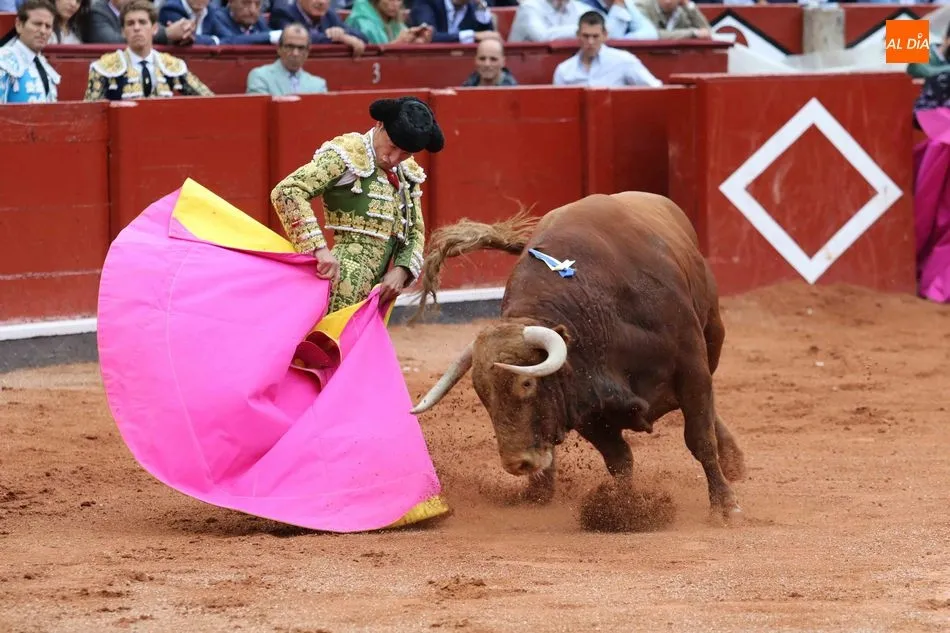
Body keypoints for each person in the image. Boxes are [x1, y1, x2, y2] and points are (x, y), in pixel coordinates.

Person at [270, 96, 444, 313]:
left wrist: (401, 270)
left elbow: (414, 229)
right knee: (330, 342)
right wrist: (319, 250)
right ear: (379, 125)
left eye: (406, 153)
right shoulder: (348, 154)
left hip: (380, 289)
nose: (394, 158)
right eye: (392, 147)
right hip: (341, 278)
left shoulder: (406, 171)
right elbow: (288, 191)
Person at [83, 0, 214, 101]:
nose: (137, 28)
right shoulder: (104, 67)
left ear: (155, 29)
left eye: (142, 22)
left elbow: (208, 99)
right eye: (130, 23)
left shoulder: (171, 65)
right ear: (123, 31)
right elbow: (89, 112)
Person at [552, 10, 661, 87]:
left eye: (595, 36)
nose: (590, 42)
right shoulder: (564, 70)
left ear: (605, 35)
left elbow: (655, 88)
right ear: (578, 35)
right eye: (586, 36)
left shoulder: (624, 61)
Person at [0, 0, 60, 104]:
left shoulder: (45, 66)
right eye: (37, 24)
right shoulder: (3, 61)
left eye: (48, 26)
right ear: (19, 25)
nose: (43, 31)